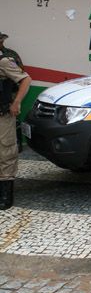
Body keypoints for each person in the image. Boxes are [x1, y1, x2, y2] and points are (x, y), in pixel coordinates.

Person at [0, 51, 31, 210]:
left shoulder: (4, 61)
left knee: (6, 152)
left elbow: (26, 79)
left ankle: (6, 194)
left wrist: (17, 102)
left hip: (2, 116)